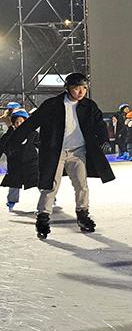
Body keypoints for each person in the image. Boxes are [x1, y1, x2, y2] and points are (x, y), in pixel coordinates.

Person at [5, 72, 115, 238]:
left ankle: (83, 215)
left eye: (84, 88)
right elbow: (31, 124)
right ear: (67, 88)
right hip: (55, 152)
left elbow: (99, 124)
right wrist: (13, 141)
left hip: (78, 151)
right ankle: (43, 218)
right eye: (76, 88)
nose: (81, 92)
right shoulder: (52, 105)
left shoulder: (89, 106)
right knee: (50, 185)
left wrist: (104, 140)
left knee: (81, 185)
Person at [1, 109, 38, 211]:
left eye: (21, 121)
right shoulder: (10, 135)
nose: (19, 124)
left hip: (31, 163)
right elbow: (3, 145)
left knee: (38, 180)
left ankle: (50, 198)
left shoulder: (32, 133)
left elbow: (41, 143)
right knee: (14, 183)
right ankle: (11, 201)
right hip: (15, 164)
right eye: (16, 122)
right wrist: (9, 153)